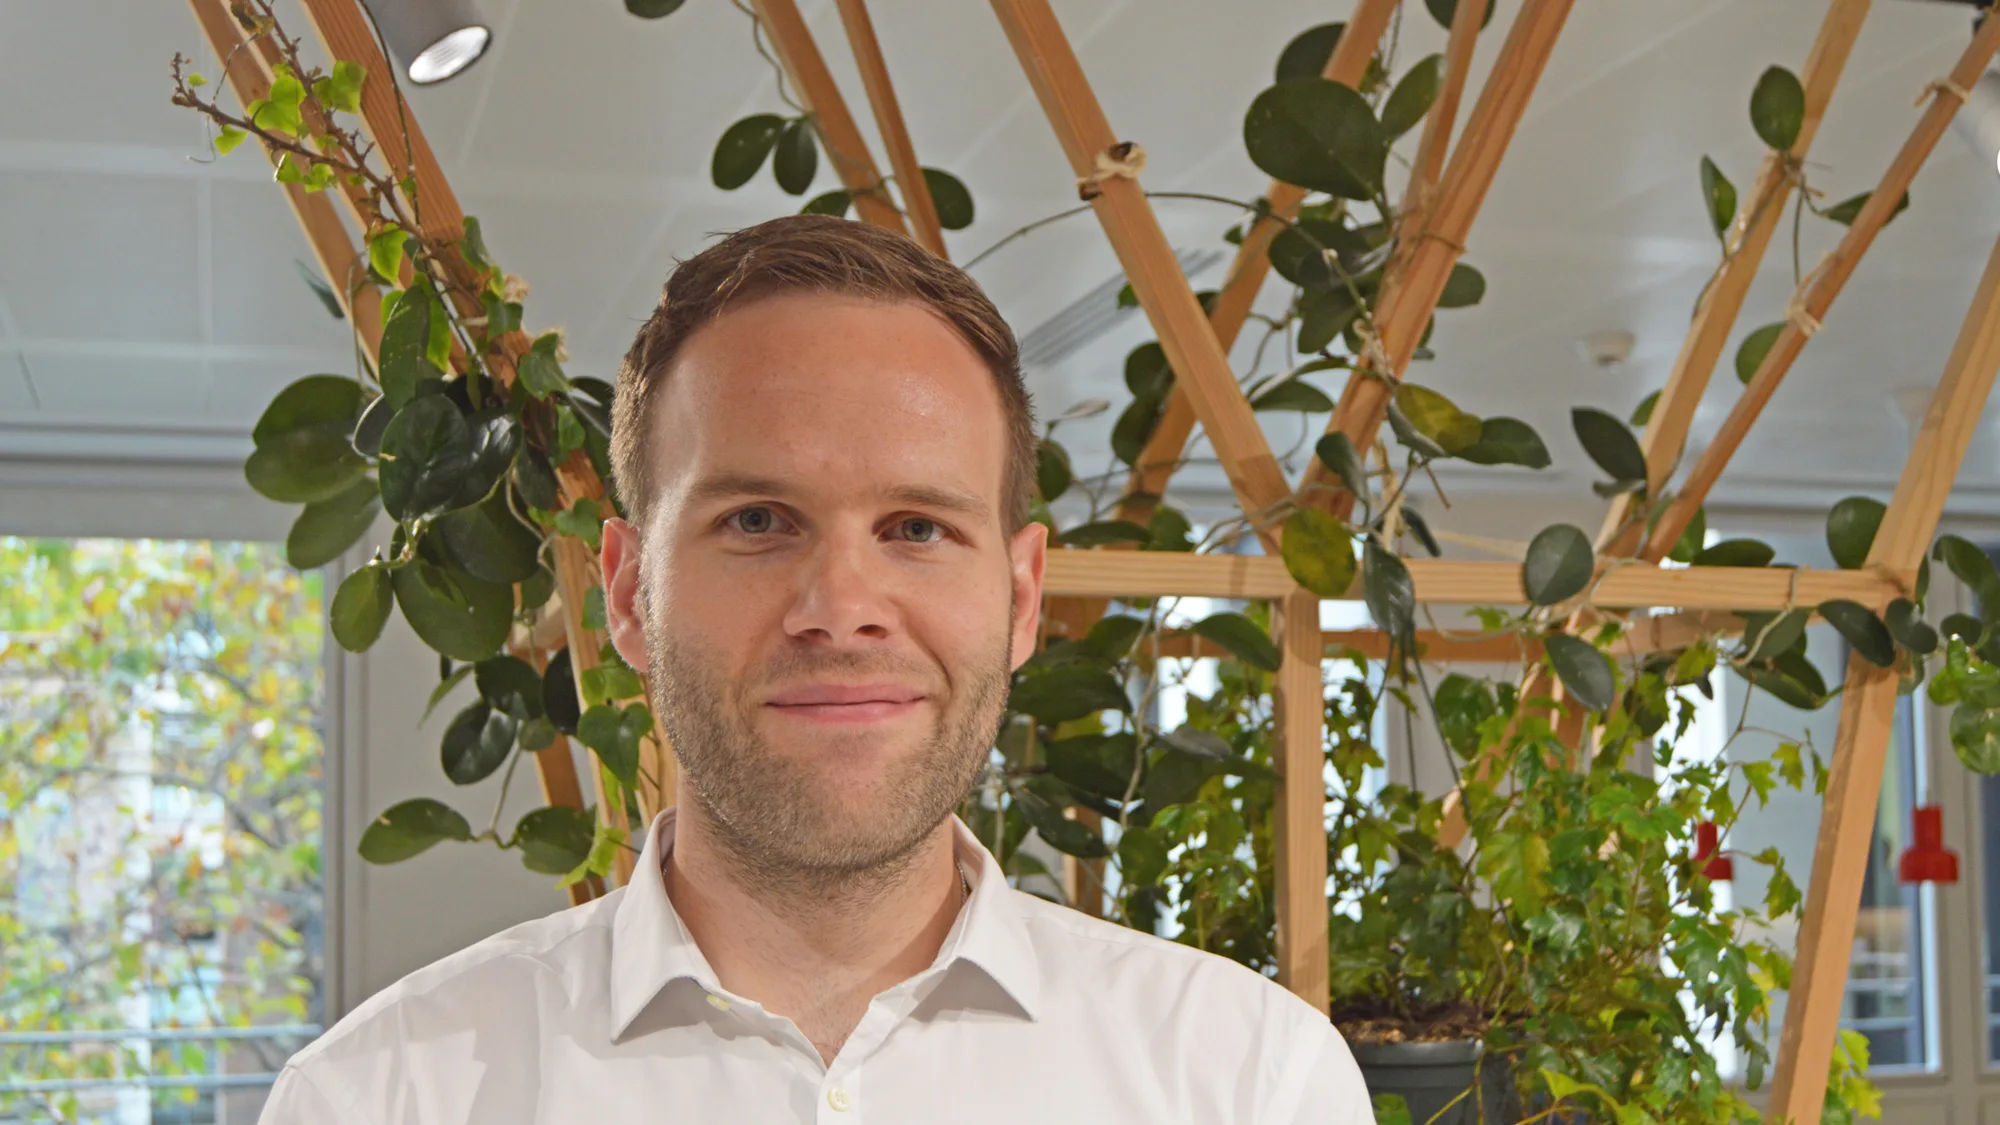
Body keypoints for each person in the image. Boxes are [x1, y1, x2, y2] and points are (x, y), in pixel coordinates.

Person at [258, 213, 1376, 1124]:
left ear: (1022, 598)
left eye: (917, 528)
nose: (841, 611)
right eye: (757, 520)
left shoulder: (1250, 1082)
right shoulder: (378, 1098)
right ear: (630, 593)